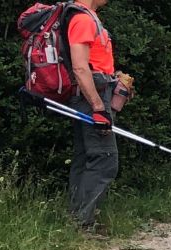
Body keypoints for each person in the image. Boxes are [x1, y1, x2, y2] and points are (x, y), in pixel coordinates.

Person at [65, 0, 133, 234]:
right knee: (105, 160)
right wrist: (97, 107)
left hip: (96, 93)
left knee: (86, 158)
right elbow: (80, 68)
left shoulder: (88, 17)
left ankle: (77, 220)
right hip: (91, 98)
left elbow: (92, 64)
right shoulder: (82, 19)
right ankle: (82, 224)